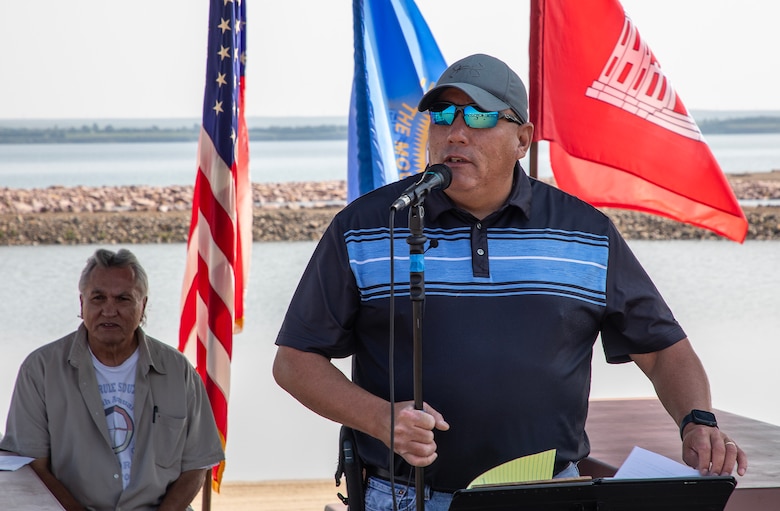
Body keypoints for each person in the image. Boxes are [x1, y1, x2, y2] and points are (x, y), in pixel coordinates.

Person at [273, 53, 748, 510]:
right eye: (442, 116)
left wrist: (697, 421)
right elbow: (295, 361)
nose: (456, 132)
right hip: (403, 496)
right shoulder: (369, 225)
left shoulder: (584, 232)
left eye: (479, 117)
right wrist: (379, 419)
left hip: (548, 494)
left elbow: (664, 348)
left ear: (523, 139)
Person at [1, 248, 224, 511]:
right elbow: (33, 464)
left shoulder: (178, 371)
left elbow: (196, 465)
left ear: (143, 306)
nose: (110, 310)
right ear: (81, 304)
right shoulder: (40, 370)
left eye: (123, 299)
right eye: (98, 298)